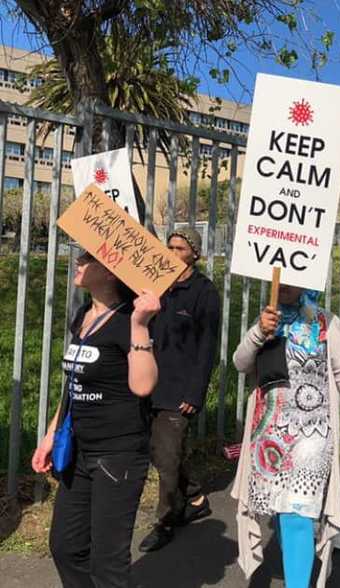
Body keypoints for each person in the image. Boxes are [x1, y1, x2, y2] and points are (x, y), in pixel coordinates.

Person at [31, 250, 161, 587]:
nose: (78, 262)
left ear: (111, 271)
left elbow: (143, 385)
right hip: (79, 449)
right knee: (66, 547)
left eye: (87, 258)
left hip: (118, 455)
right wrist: (51, 434)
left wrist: (139, 325)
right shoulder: (83, 315)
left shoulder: (129, 319)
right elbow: (73, 384)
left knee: (108, 564)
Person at [231, 285, 340, 588]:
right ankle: (298, 564)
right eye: (278, 278)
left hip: (313, 436)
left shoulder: (326, 323)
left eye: (292, 279)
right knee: (282, 512)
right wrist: (258, 332)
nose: (283, 284)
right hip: (269, 438)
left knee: (297, 513)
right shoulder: (265, 320)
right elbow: (240, 364)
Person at [139, 227, 222, 552]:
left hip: (179, 390)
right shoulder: (155, 285)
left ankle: (165, 522)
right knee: (160, 452)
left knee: (167, 457)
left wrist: (195, 393)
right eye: (169, 247)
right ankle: (195, 497)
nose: (172, 253)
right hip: (149, 383)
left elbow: (207, 347)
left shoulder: (204, 292)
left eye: (180, 249)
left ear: (194, 254)